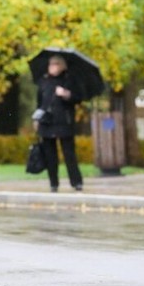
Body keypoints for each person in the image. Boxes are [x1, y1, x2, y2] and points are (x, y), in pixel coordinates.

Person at [35, 55, 83, 192]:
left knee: (69, 154)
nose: (52, 67)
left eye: (56, 64)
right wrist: (37, 118)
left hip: (64, 122)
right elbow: (39, 102)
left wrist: (66, 94)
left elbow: (77, 98)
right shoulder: (44, 81)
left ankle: (76, 182)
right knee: (50, 155)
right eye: (50, 64)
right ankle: (53, 183)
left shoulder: (69, 79)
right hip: (47, 122)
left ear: (62, 66)